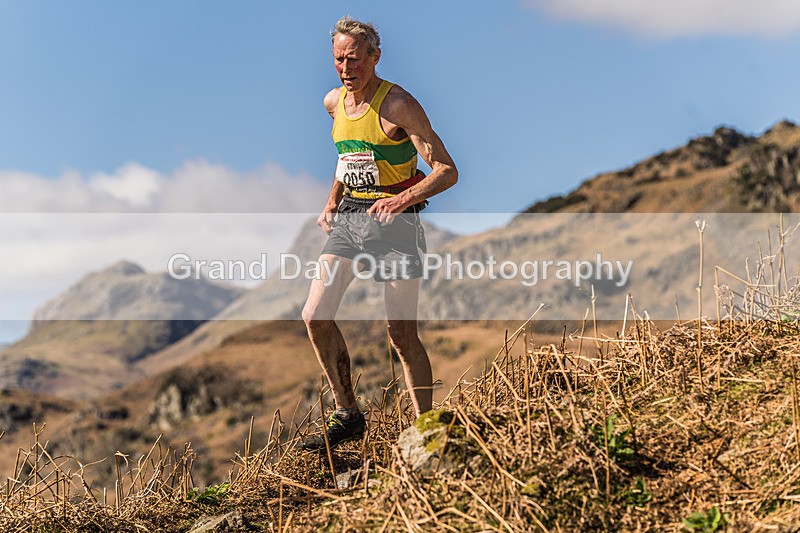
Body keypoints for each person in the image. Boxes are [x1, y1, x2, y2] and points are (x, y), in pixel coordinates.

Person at [300, 16, 458, 451]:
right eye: (338, 59)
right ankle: (348, 414)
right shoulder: (333, 102)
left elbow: (446, 171)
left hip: (396, 223)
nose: (345, 68)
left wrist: (401, 201)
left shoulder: (398, 106)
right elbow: (349, 154)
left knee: (401, 335)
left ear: (375, 57)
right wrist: (333, 199)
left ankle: (426, 431)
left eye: (353, 59)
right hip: (352, 216)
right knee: (315, 315)